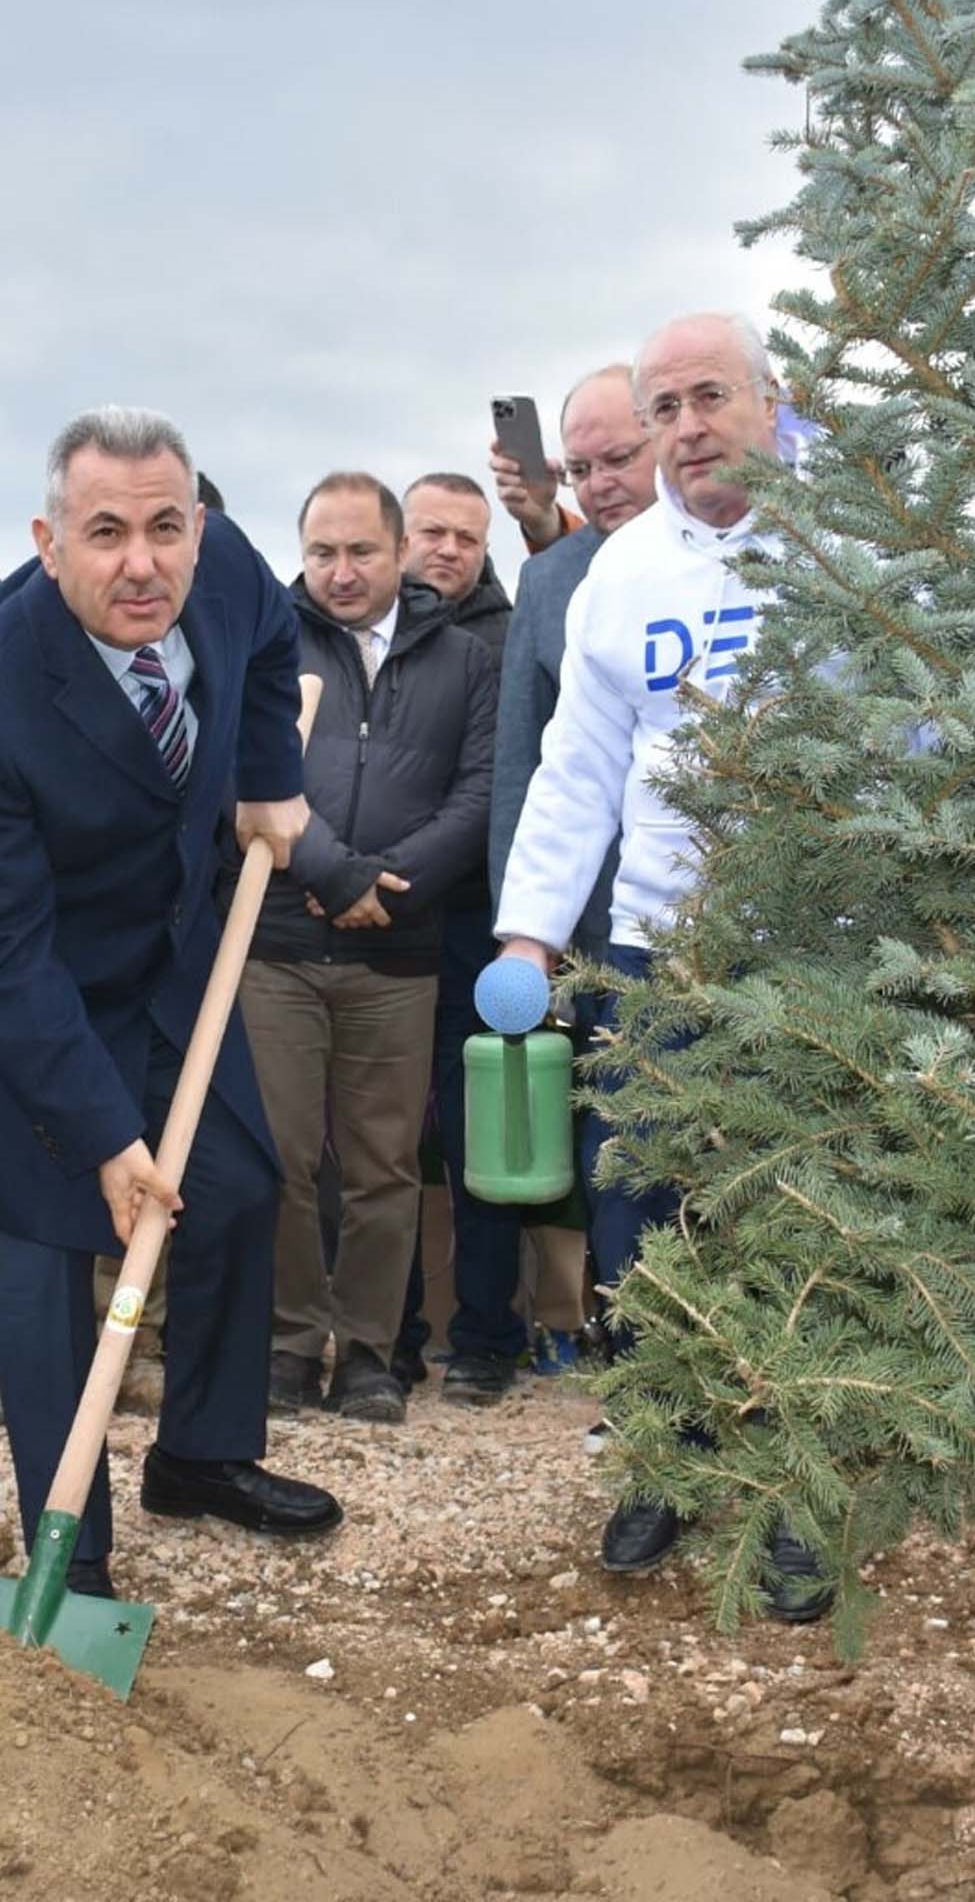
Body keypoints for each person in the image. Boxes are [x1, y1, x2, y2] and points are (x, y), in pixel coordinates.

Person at [0, 407, 343, 1598]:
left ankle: (201, 1455)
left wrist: (269, 779)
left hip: (167, 952)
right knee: (50, 1256)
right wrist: (104, 1137)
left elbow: (265, 658)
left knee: (241, 1184)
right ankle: (75, 1550)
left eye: (164, 527)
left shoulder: (232, 569)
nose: (141, 561)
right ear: (49, 542)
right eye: (105, 532)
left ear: (199, 526)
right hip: (23, 993)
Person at [494, 312, 830, 1620]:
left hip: (814, 958)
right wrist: (529, 931)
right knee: (639, 1220)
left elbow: (916, 737)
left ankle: (802, 1493)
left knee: (802, 1225)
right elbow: (578, 765)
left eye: (712, 398)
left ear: (769, 402)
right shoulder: (621, 574)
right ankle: (666, 1461)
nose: (691, 427)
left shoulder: (843, 551)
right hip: (653, 955)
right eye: (668, 407)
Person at [246, 471, 494, 1421]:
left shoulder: (465, 661)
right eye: (321, 553)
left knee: (386, 1164)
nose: (340, 573)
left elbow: (478, 794)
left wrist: (385, 883)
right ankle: (289, 1343)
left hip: (400, 951)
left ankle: (369, 1353)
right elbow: (251, 772)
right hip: (275, 945)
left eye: (360, 552)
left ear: (400, 554)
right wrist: (332, 873)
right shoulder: (268, 645)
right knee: (284, 1156)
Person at [451, 364, 662, 1404]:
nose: (605, 480)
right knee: (609, 1153)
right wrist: (520, 929)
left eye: (621, 456)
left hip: (732, 923)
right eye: (584, 465)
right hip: (589, 927)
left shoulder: (760, 558)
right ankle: (631, 1375)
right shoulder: (551, 578)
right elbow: (525, 771)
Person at [392, 470, 519, 1387]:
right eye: (431, 531)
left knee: (483, 1135)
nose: (447, 549)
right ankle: (384, 1338)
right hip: (373, 915)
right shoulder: (357, 628)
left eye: (466, 537)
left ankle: (485, 1338)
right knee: (381, 1135)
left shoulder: (511, 638)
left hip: (479, 911)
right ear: (400, 536)